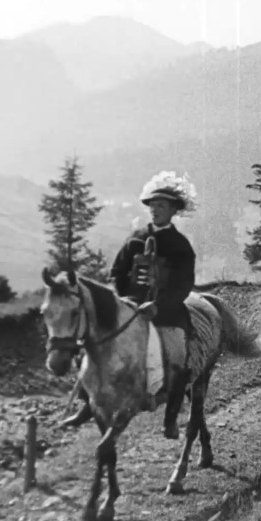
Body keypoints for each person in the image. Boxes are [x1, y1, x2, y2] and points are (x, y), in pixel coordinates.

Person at [61, 172, 198, 440]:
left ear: (173, 210)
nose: (155, 210)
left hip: (165, 312)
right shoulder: (136, 238)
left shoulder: (181, 246)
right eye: (152, 206)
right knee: (92, 342)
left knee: (178, 355)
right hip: (129, 306)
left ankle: (170, 417)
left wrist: (159, 305)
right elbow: (117, 272)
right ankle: (87, 402)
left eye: (161, 206)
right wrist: (121, 299)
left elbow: (184, 284)